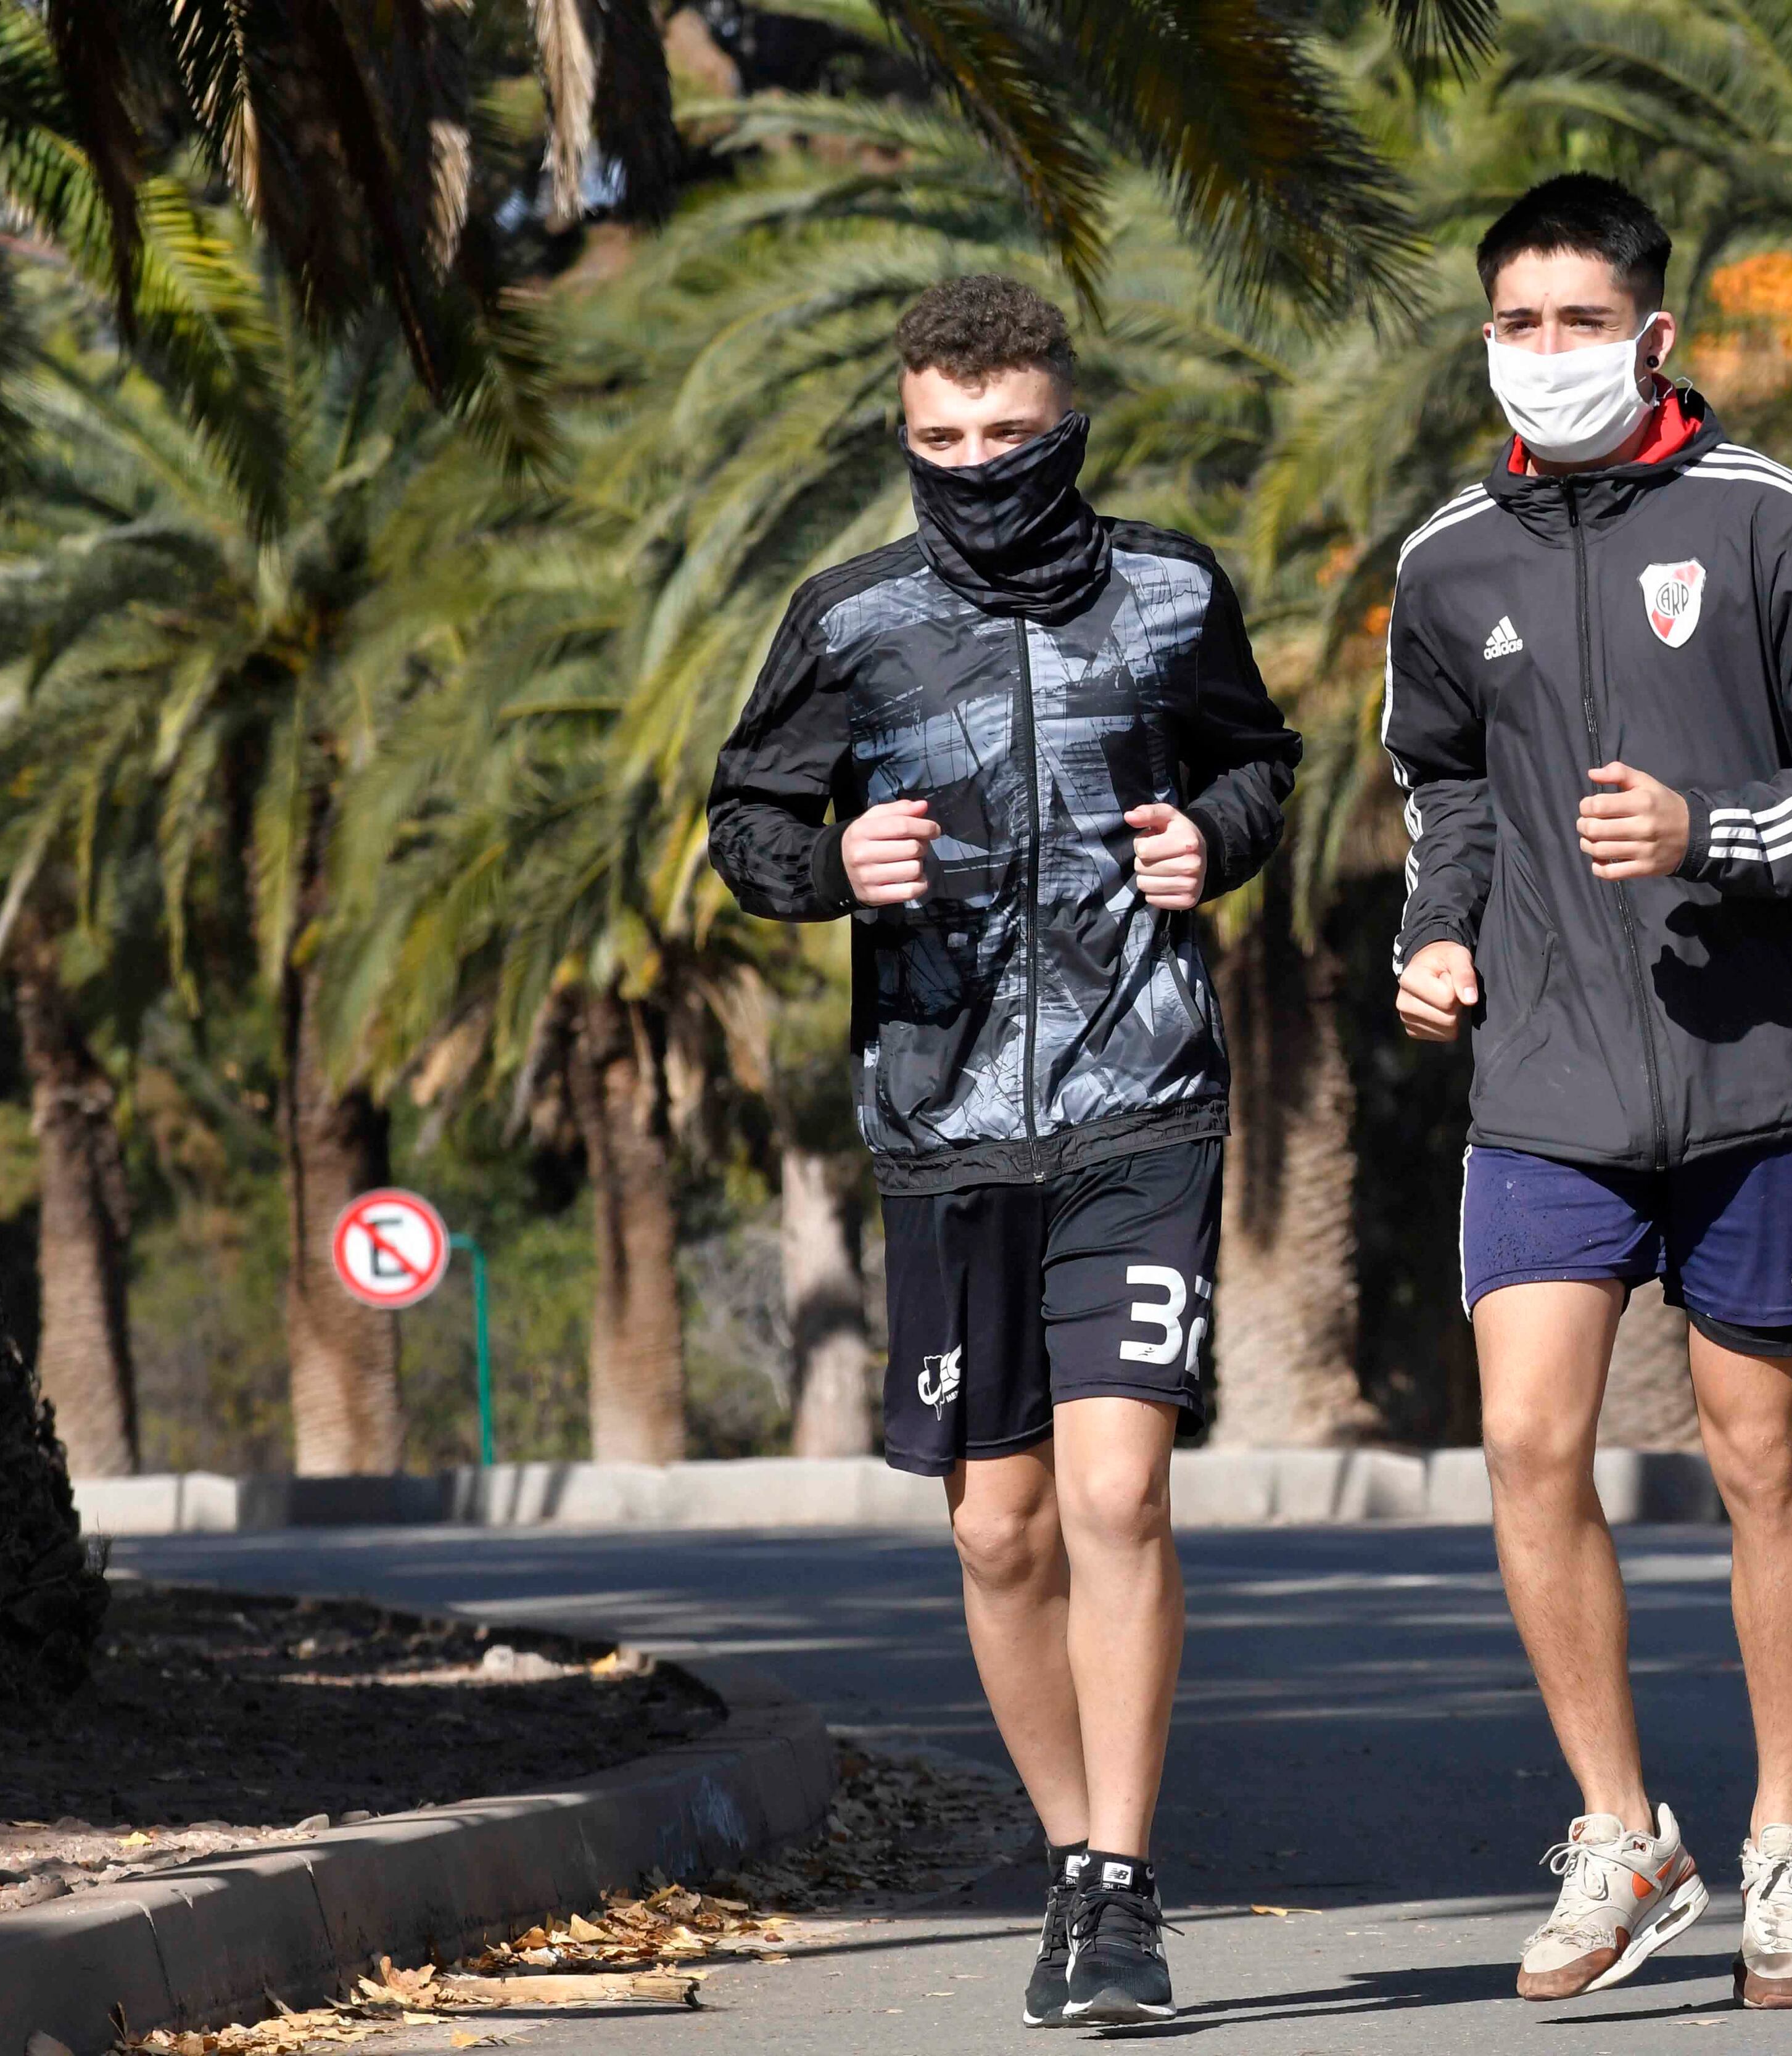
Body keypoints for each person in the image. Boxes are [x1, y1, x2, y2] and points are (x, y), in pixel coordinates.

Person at [705, 275, 1299, 2028]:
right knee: (1000, 1536)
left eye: (1010, 439)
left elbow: (1259, 764)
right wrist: (835, 871)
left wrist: (1213, 838)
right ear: (907, 436)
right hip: (944, 1121)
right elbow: (749, 818)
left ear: (1069, 429)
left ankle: (1119, 1886)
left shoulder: (1176, 590)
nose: (976, 467)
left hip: (1145, 1099)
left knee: (1119, 1493)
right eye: (943, 442)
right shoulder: (854, 620)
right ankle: (1066, 1857)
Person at [1382, 172, 1792, 2010]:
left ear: (1654, 335)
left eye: (1577, 323)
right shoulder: (1449, 557)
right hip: (1541, 1078)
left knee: (1760, 1453)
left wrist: (1730, 833)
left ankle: (1787, 1844)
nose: (1544, 355)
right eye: (1515, 324)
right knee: (1531, 1444)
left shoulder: (1766, 517)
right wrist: (1437, 935)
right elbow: (1439, 788)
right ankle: (1624, 1834)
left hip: (1749, 1071)